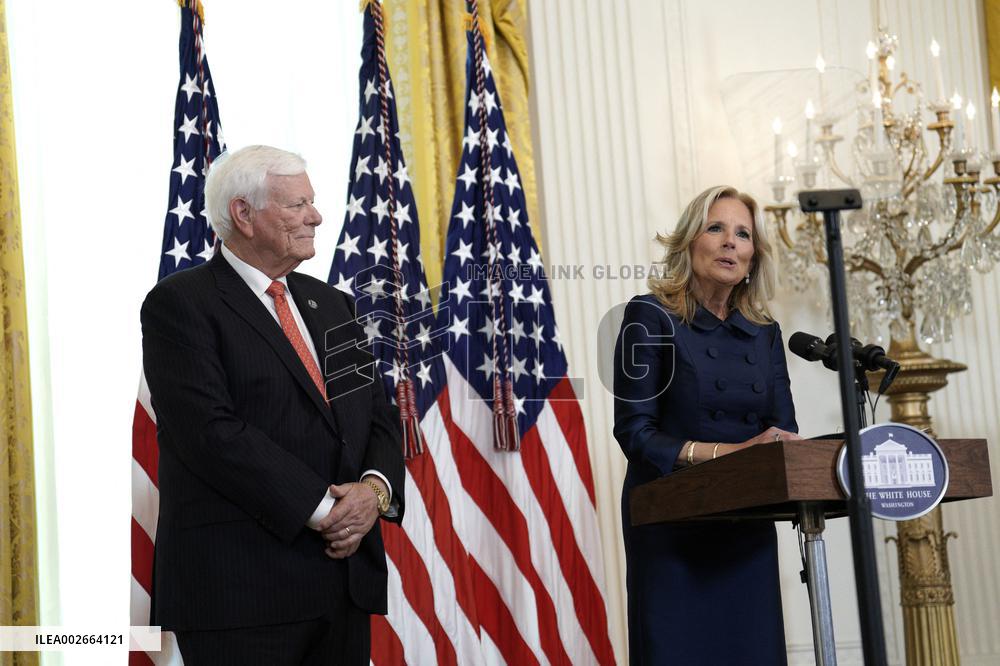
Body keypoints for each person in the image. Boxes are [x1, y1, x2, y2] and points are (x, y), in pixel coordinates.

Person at [141, 145, 404, 665]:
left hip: (341, 586)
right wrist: (333, 512)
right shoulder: (181, 304)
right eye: (297, 204)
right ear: (243, 213)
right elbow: (213, 435)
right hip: (241, 594)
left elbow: (377, 415)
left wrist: (373, 494)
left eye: (312, 202)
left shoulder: (331, 304)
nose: (316, 215)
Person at [613, 185, 803, 665]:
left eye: (742, 234)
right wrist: (729, 455)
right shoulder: (649, 316)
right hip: (672, 526)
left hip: (746, 527)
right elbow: (634, 433)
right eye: (715, 227)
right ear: (688, 242)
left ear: (753, 256)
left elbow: (781, 431)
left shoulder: (764, 333)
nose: (730, 242)